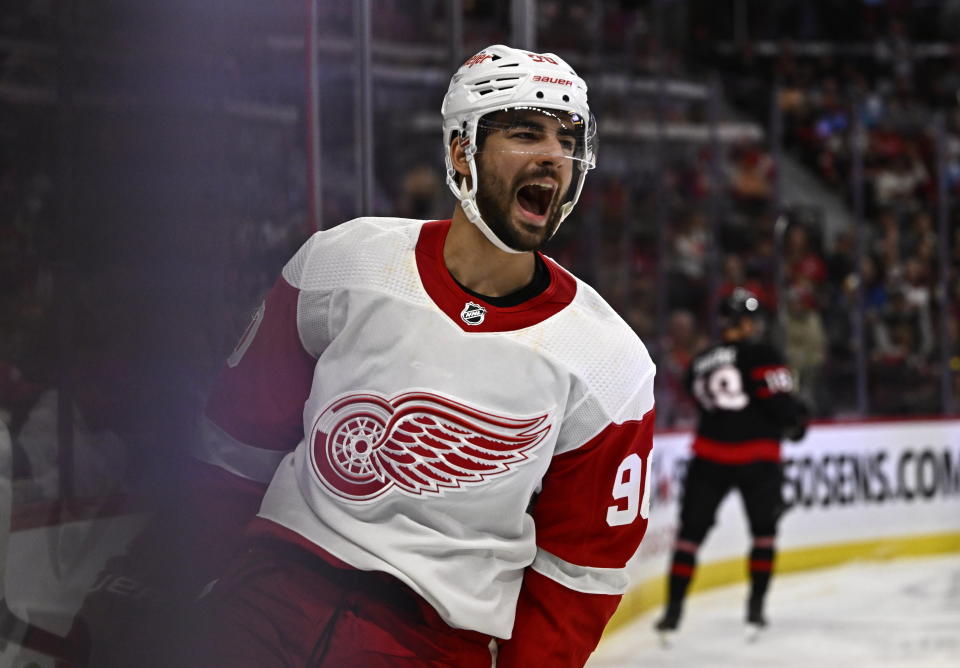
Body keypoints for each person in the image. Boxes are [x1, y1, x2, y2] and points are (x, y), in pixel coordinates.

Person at [189, 44, 656, 667]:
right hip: (266, 600)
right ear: (462, 149)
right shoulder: (342, 264)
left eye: (567, 138)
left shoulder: (609, 362)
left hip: (427, 646)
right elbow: (235, 448)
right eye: (525, 132)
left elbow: (579, 575)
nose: (553, 155)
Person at [654, 288, 807, 643]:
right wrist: (797, 420)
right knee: (764, 534)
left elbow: (697, 398)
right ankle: (756, 607)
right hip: (758, 457)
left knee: (689, 538)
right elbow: (781, 405)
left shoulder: (701, 360)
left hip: (709, 457)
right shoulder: (763, 354)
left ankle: (673, 612)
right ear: (746, 321)